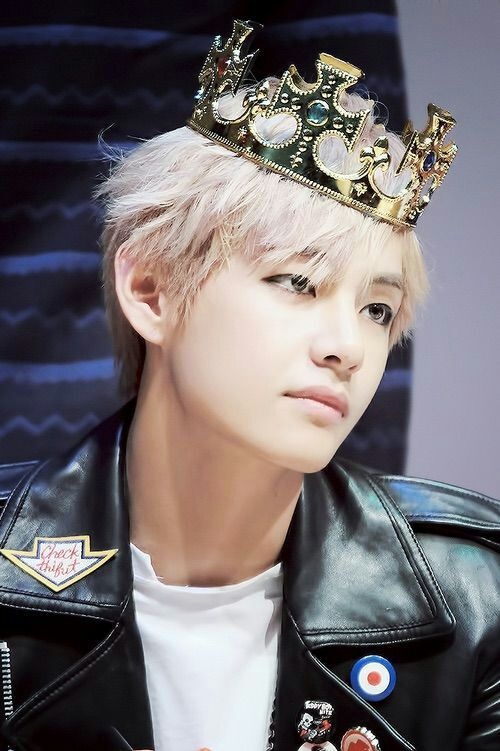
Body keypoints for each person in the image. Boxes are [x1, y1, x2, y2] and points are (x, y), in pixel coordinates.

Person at [0, 18, 498, 751]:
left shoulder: (479, 594)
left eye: (377, 310)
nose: (346, 348)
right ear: (151, 290)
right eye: (296, 281)